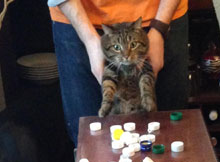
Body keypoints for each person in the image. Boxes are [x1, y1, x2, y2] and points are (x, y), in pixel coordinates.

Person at [47, 0, 190, 144]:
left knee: (168, 139)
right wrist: (89, 39)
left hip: (163, 14)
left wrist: (160, 28)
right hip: (76, 16)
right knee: (91, 145)